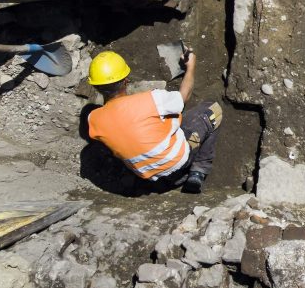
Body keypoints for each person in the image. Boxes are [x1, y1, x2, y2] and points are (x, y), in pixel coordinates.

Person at [86, 48, 222, 193]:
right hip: (178, 161)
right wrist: (191, 67)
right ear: (126, 80)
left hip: (146, 174)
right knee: (213, 109)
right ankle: (198, 170)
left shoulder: (94, 119)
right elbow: (184, 96)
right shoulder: (151, 100)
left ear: (95, 87)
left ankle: (165, 178)